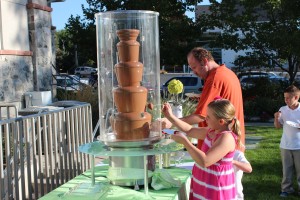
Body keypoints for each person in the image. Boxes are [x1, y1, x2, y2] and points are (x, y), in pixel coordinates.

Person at [162, 47, 245, 151]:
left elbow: (201, 116)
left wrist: (171, 121)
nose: (194, 72)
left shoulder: (214, 79)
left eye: (194, 67)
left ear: (205, 61)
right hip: (233, 143)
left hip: (219, 147)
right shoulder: (228, 73)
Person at [163, 98, 241, 199]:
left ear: (221, 121)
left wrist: (186, 142)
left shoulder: (226, 138)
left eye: (208, 117)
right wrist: (170, 118)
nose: (205, 119)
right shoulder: (212, 131)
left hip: (216, 190)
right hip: (204, 185)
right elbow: (190, 130)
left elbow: (205, 161)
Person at [274, 85, 300, 198]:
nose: (286, 100)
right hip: (285, 145)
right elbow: (278, 127)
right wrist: (276, 118)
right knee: (286, 169)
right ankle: (286, 189)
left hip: (299, 145)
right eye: (285, 98)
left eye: (289, 98)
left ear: (296, 97)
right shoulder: (283, 109)